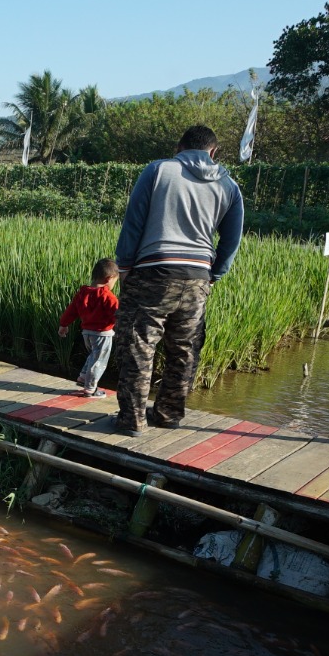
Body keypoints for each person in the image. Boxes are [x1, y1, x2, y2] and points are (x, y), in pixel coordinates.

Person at [111, 125, 243, 436]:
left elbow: (134, 221)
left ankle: (132, 421)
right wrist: (215, 275)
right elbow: (231, 240)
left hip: (153, 272)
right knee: (184, 351)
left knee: (138, 347)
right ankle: (168, 416)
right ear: (213, 151)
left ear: (179, 147)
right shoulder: (229, 185)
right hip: (197, 275)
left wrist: (125, 267)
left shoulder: (159, 170)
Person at [57, 257, 120, 398]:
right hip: (102, 334)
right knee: (99, 361)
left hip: (87, 333)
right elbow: (117, 314)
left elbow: (71, 310)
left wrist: (63, 324)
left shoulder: (82, 293)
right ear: (109, 278)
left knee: (93, 356)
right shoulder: (107, 296)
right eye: (115, 281)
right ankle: (91, 388)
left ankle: (84, 376)